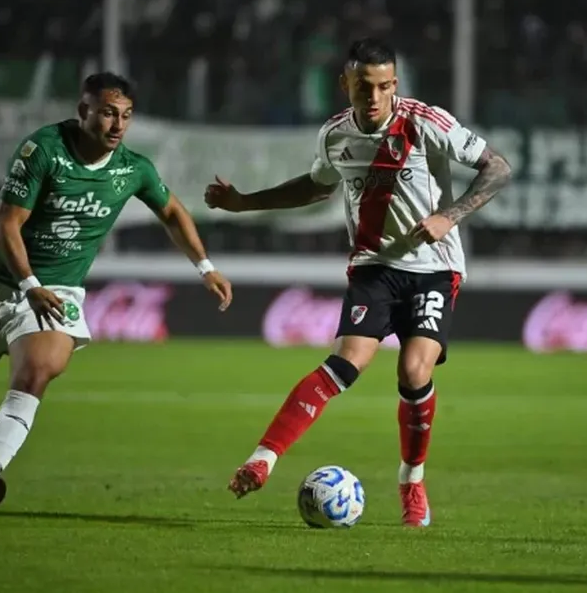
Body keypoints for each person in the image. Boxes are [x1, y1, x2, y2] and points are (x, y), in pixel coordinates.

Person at [204, 37, 512, 527]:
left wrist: (449, 217)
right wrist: (244, 203)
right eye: (364, 87)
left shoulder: (426, 122)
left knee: (414, 372)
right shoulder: (334, 136)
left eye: (385, 86)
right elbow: (315, 186)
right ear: (345, 84)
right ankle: (263, 458)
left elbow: (498, 167)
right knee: (346, 362)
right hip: (372, 267)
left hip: (433, 266)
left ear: (395, 85)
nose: (375, 97)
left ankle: (412, 479)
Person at [0, 72, 233, 513]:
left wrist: (205, 266)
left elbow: (172, 210)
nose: (118, 125)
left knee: (37, 372)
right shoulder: (43, 150)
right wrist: (28, 284)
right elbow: (7, 224)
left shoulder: (132, 169)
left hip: (58, 290)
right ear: (84, 112)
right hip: (0, 282)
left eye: (126, 116)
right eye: (108, 113)